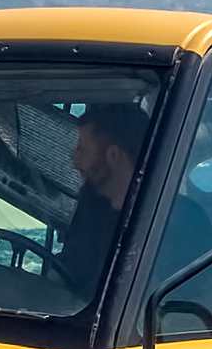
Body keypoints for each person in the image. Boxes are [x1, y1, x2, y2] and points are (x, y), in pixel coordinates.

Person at [52, 99, 151, 295]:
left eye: (83, 151)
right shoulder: (91, 212)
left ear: (113, 155)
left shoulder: (174, 218)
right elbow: (67, 269)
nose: (75, 162)